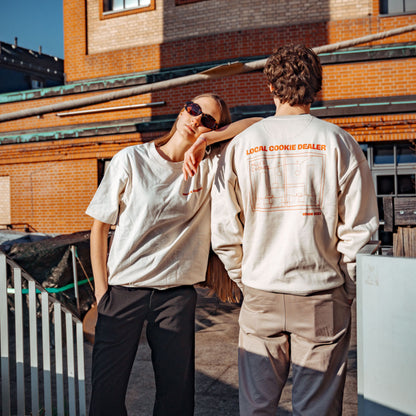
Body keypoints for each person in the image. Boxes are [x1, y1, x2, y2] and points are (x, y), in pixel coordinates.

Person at [211, 45, 379, 416]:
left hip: (261, 293)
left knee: (256, 407)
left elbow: (224, 230)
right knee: (317, 410)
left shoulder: (242, 145)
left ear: (270, 87)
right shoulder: (339, 142)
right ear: (316, 86)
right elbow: (360, 229)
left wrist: (246, 279)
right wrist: (347, 288)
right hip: (321, 293)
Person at [85, 93, 259, 416]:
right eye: (193, 110)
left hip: (175, 298)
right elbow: (99, 228)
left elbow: (260, 124)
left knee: (176, 402)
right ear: (181, 112)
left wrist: (209, 139)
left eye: (207, 119)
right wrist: (102, 293)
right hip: (123, 293)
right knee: (105, 399)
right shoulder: (131, 159)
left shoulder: (210, 167)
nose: (196, 120)